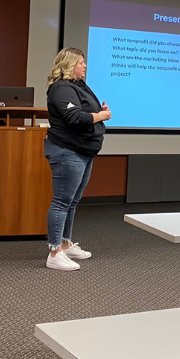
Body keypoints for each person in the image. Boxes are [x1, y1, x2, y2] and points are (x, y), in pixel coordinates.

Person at [42, 47, 107, 271]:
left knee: (72, 200)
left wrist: (98, 111)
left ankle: (66, 244)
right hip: (66, 150)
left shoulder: (78, 86)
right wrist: (101, 116)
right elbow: (74, 117)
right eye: (81, 62)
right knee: (61, 201)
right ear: (69, 64)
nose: (85, 66)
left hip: (84, 150)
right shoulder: (61, 88)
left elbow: (84, 111)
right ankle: (54, 252)